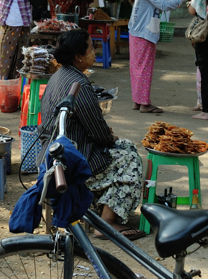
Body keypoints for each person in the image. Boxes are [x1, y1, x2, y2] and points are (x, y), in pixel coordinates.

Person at [39, 30, 146, 240]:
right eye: (91, 48)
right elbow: (98, 132)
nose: (95, 51)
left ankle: (103, 209)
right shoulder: (79, 85)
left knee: (127, 146)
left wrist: (107, 136)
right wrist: (109, 137)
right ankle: (107, 222)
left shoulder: (59, 76)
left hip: (52, 151)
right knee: (130, 158)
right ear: (78, 56)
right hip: (70, 159)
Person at [127, 0, 193, 113]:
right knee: (144, 69)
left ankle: (138, 101)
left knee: (137, 68)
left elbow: (163, 5)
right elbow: (164, 5)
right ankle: (144, 103)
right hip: (143, 34)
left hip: (138, 33)